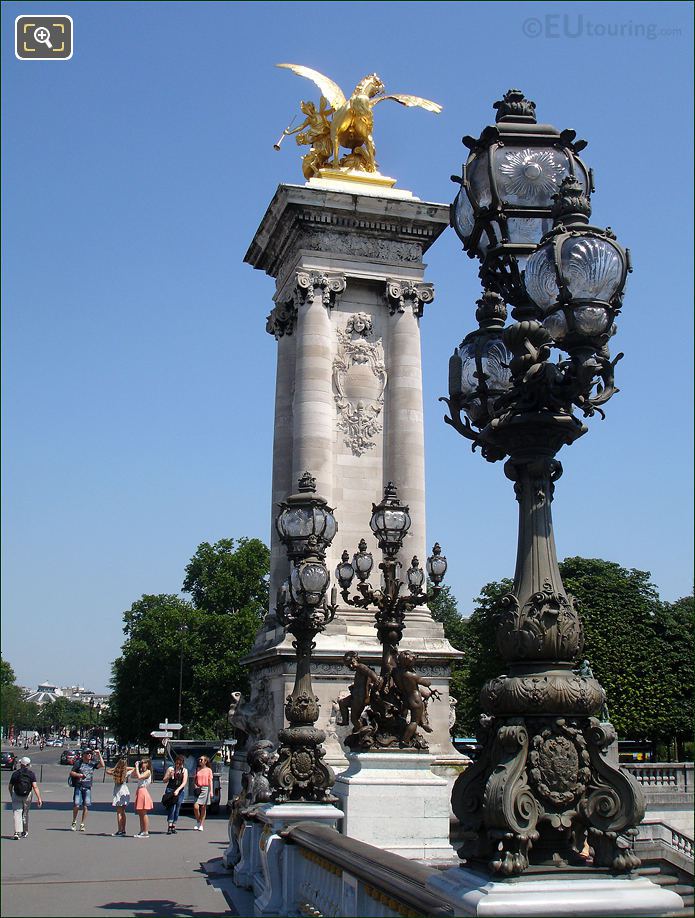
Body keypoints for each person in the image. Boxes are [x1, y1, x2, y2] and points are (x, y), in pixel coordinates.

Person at [69, 748, 104, 832]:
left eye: (90, 753)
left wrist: (99, 754)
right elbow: (72, 772)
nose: (89, 755)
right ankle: (74, 821)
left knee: (86, 805)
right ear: (83, 754)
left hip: (87, 786)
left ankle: (82, 823)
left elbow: (102, 765)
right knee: (76, 804)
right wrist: (80, 775)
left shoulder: (92, 763)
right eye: (87, 753)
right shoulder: (79, 763)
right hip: (79, 786)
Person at [8, 756, 42, 839]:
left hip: (16, 794)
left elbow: (10, 786)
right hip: (27, 795)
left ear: (21, 764)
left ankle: (17, 832)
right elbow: (35, 787)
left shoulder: (15, 773)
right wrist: (39, 798)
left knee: (17, 813)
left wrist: (11, 794)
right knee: (25, 813)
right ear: (28, 765)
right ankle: (25, 831)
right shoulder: (31, 774)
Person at [106, 757, 133, 836]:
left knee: (119, 812)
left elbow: (108, 771)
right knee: (123, 812)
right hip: (125, 791)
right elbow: (134, 769)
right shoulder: (125, 774)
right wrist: (125, 767)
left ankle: (120, 830)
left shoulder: (115, 773)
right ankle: (123, 829)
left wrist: (117, 767)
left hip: (118, 792)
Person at [162, 755, 188, 834]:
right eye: (177, 763)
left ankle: (174, 825)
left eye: (180, 764)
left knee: (177, 808)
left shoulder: (184, 771)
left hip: (179, 791)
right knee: (171, 808)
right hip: (170, 790)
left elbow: (184, 783)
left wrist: (178, 790)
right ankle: (169, 826)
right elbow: (164, 780)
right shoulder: (171, 769)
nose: (178, 765)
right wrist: (169, 775)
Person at [132, 757, 154, 838]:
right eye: (142, 762)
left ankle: (145, 831)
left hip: (143, 791)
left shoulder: (148, 772)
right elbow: (133, 775)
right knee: (140, 813)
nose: (143, 764)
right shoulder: (142, 771)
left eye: (144, 762)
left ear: (148, 764)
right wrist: (136, 767)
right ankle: (141, 830)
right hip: (139, 791)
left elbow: (139, 777)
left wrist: (137, 768)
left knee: (144, 813)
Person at [192, 755, 214, 832]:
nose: (200, 761)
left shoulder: (209, 770)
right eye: (199, 759)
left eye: (201, 760)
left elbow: (210, 781)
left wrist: (211, 791)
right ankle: (198, 821)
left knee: (203, 807)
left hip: (206, 788)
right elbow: (194, 779)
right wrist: (195, 786)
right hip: (198, 788)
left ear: (205, 761)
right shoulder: (197, 769)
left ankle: (201, 824)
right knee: (196, 807)